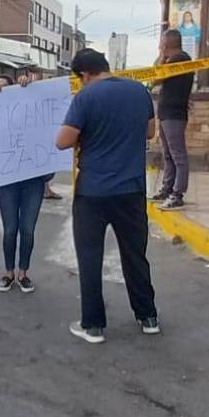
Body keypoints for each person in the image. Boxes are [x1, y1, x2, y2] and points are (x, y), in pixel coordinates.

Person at [57, 48, 160, 345]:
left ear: (85, 75)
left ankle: (93, 325)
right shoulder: (139, 91)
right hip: (131, 190)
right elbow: (150, 132)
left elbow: (62, 141)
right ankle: (148, 316)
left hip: (93, 192)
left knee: (90, 258)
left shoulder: (86, 97)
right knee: (135, 255)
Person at [0, 75, 46, 294]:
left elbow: (47, 102)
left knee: (28, 229)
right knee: (10, 229)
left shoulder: (32, 108)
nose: (1, 89)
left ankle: (23, 273)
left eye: (6, 85)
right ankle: (8, 272)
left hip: (33, 181)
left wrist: (33, 82)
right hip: (6, 181)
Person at [152, 28, 194, 210]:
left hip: (174, 115)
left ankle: (178, 193)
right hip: (167, 113)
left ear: (167, 44)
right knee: (168, 154)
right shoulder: (175, 60)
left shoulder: (179, 60)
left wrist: (162, 55)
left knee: (177, 155)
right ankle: (167, 188)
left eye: (162, 42)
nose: (159, 45)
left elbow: (155, 78)